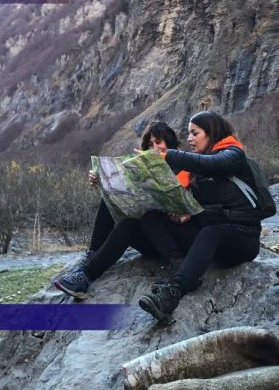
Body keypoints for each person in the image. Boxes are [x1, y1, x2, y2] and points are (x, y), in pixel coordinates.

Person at [138, 111, 262, 323]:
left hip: (244, 239)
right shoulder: (200, 170)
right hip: (213, 238)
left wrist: (168, 156)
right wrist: (187, 214)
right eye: (188, 134)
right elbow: (204, 208)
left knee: (210, 232)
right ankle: (180, 269)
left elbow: (214, 164)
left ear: (210, 133)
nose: (189, 139)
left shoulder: (233, 154)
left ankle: (172, 295)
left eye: (194, 133)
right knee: (151, 218)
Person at [55, 122, 198, 300]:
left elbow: (198, 206)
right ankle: (86, 273)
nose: (154, 148)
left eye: (159, 142)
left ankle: (177, 266)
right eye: (150, 144)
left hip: (175, 239)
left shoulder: (189, 167)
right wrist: (102, 182)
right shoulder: (142, 169)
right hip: (151, 235)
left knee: (150, 218)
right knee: (125, 221)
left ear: (171, 143)